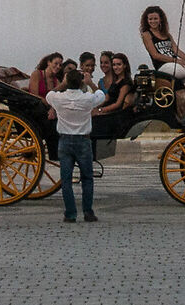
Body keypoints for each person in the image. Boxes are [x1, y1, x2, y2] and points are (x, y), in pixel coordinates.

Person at [44, 64, 106, 222]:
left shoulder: (58, 99)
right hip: (83, 140)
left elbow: (49, 95)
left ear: (67, 81)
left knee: (66, 180)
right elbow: (102, 96)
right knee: (87, 178)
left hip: (64, 140)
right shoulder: (87, 99)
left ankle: (70, 213)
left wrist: (63, 84)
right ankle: (88, 212)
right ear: (80, 83)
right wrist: (90, 82)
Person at [139, 5, 185, 115]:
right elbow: (155, 55)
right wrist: (178, 61)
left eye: (155, 18)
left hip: (175, 66)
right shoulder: (146, 35)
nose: (153, 21)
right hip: (164, 67)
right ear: (146, 20)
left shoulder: (166, 34)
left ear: (160, 19)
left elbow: (176, 50)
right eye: (150, 19)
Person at [93, 53, 133, 118]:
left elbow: (118, 104)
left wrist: (101, 110)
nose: (116, 67)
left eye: (119, 64)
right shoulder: (115, 80)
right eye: (114, 65)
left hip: (115, 114)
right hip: (106, 110)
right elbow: (106, 99)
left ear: (125, 65)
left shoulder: (126, 83)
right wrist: (94, 107)